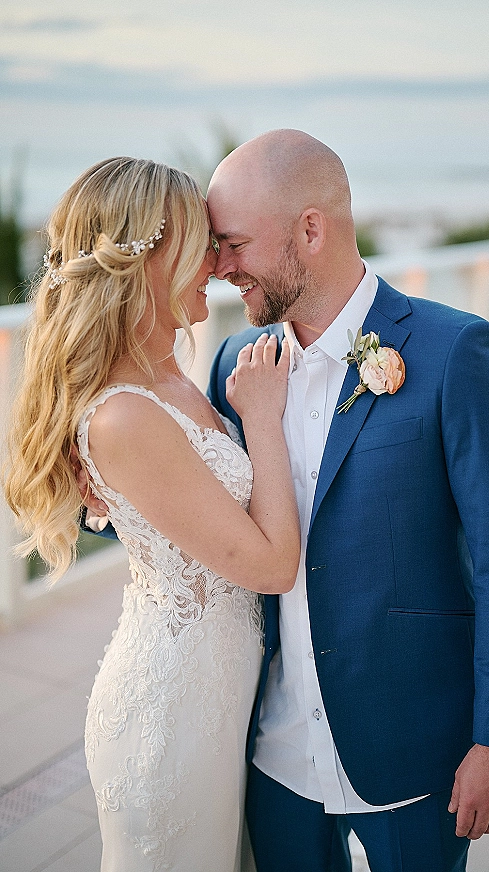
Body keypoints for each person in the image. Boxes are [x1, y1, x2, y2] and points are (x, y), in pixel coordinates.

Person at [203, 129, 489, 872]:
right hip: (274, 759)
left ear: (311, 230)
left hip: (416, 759)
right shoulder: (235, 363)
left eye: (233, 244)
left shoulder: (456, 353)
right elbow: (194, 511)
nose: (220, 268)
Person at [3, 156, 300, 872]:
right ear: (150, 256)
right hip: (173, 720)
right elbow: (271, 566)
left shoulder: (166, 373)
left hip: (223, 695)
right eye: (202, 244)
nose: (217, 264)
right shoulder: (122, 417)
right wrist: (262, 418)